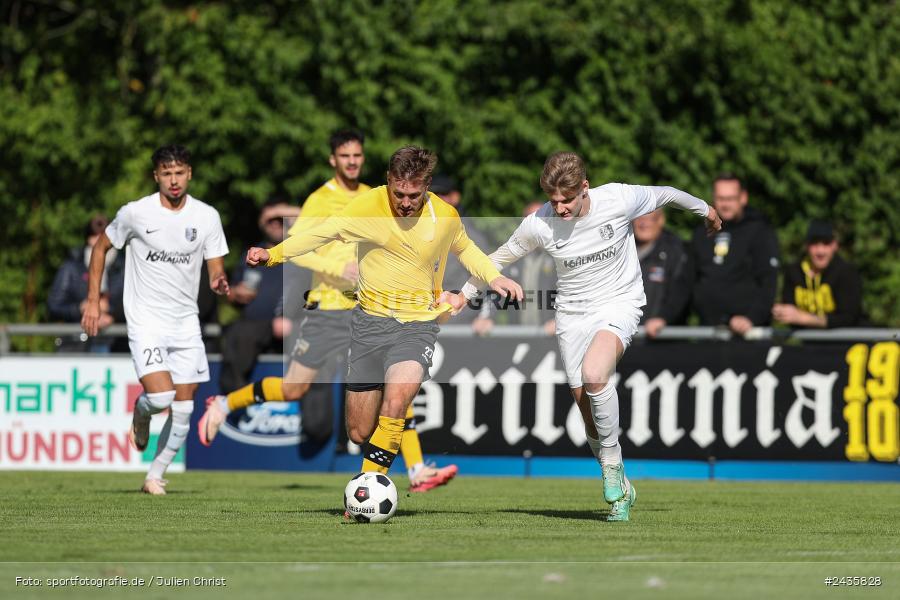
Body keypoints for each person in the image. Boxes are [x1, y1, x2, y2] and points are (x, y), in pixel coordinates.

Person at [452, 152, 721, 521]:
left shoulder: (618, 199)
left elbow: (667, 193)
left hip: (620, 303)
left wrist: (706, 210)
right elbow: (496, 259)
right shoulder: (539, 223)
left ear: (584, 188)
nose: (560, 208)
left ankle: (611, 472)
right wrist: (462, 295)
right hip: (572, 314)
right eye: (553, 201)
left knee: (596, 375)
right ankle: (623, 485)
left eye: (567, 199)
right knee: (586, 407)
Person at [243, 146, 522, 498]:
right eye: (399, 194)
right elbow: (320, 234)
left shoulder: (445, 215)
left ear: (427, 187)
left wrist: (494, 277)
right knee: (359, 431)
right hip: (368, 326)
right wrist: (272, 255)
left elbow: (466, 249)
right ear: (388, 182)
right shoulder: (366, 207)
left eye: (414, 195)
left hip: (417, 326)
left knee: (397, 401)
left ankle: (365, 493)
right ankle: (378, 476)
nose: (405, 202)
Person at [199, 136, 469, 492]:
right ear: (333, 160)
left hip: (374, 310)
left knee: (397, 387)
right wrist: (335, 266)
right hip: (329, 307)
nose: (352, 162)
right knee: (294, 388)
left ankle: (416, 469)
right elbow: (305, 247)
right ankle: (223, 402)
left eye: (358, 155)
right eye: (345, 156)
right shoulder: (320, 199)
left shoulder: (382, 197)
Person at [81, 145, 230, 495]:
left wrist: (219, 281)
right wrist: (92, 301)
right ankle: (142, 411)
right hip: (146, 320)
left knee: (184, 407)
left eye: (179, 173)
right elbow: (101, 247)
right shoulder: (135, 213)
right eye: (167, 173)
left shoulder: (207, 216)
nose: (174, 180)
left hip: (185, 323)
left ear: (189, 173)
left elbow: (216, 269)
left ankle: (154, 476)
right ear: (156, 176)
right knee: (161, 397)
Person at [218, 197, 300, 393]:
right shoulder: (252, 253)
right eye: (270, 220)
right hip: (257, 330)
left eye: (280, 219)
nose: (275, 223)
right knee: (237, 332)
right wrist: (235, 294)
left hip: (297, 326)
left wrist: (275, 211)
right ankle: (230, 403)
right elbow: (231, 295)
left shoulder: (302, 252)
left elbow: (317, 216)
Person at [690, 173, 779, 337]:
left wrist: (752, 318)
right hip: (708, 331)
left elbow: (768, 280)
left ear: (743, 198)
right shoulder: (701, 232)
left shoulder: (759, 231)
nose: (725, 204)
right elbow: (687, 279)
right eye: (720, 198)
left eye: (730, 198)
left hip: (748, 333)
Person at [471, 201, 557, 336]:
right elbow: (496, 292)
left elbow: (573, 296)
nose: (537, 227)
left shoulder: (561, 255)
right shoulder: (513, 257)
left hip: (554, 336)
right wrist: (485, 317)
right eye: (532, 221)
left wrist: (561, 321)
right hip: (518, 336)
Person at [48, 214, 125, 351]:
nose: (99, 243)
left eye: (104, 237)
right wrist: (82, 308)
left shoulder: (125, 266)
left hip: (116, 343)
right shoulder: (71, 268)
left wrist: (112, 313)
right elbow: (54, 305)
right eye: (94, 236)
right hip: (76, 343)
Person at [431, 175, 497, 326]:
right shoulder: (420, 233)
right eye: (432, 195)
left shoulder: (472, 237)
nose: (437, 199)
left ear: (455, 197)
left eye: (443, 194)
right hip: (426, 326)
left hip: (461, 327)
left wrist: (486, 317)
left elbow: (488, 281)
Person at [772, 220, 863, 328]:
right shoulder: (793, 272)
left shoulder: (846, 272)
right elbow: (790, 312)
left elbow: (849, 318)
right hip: (808, 341)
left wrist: (804, 318)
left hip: (844, 341)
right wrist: (780, 312)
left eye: (826, 243)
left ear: (835, 245)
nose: (820, 251)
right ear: (806, 246)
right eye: (814, 244)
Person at [633, 209, 692, 338]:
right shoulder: (621, 248)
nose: (643, 224)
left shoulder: (676, 251)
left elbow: (682, 291)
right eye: (639, 218)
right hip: (625, 339)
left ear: (660, 220)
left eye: (649, 219)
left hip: (661, 338)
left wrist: (663, 318)